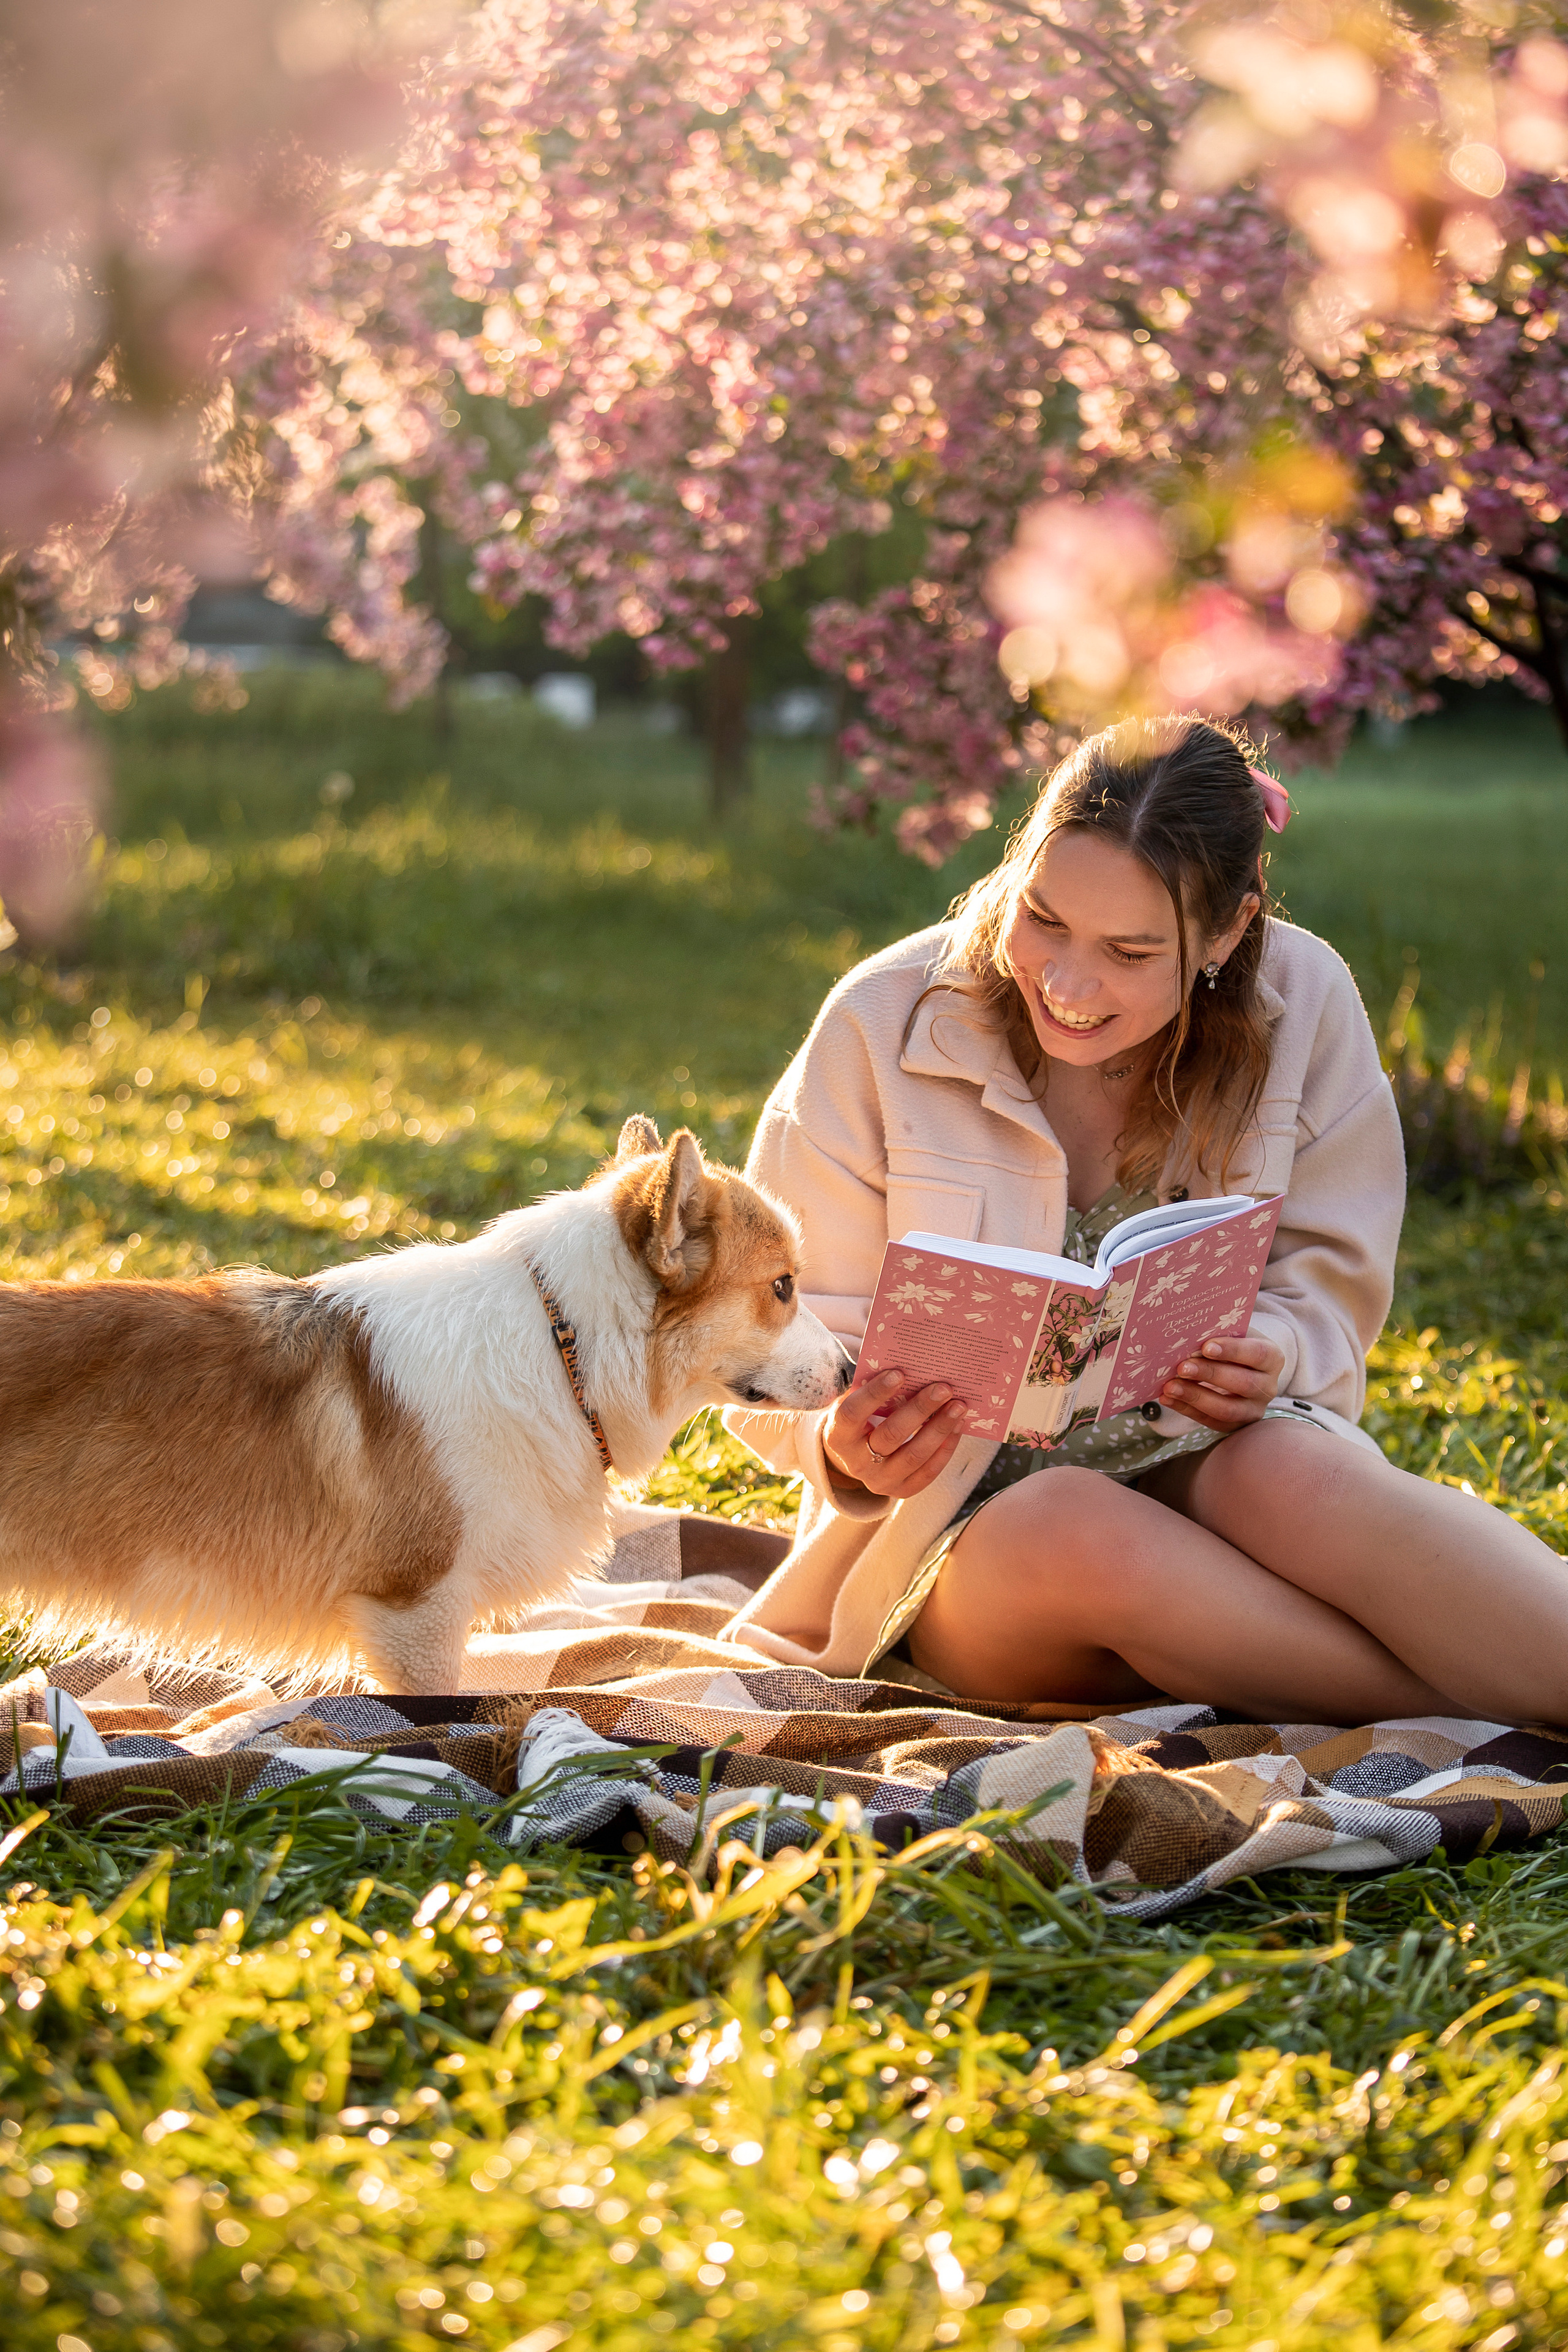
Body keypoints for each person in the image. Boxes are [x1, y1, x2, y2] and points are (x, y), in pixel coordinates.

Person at [722, 714, 1568, 1726]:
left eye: (1129, 951)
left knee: (1295, 1475)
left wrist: (1277, 1349)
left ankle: (1515, 1674)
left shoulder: (1305, 1000)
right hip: (958, 1550)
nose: (1068, 985)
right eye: (1042, 918)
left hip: (1205, 1461)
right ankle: (1470, 1702)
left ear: (1228, 932)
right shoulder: (881, 1021)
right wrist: (842, 1447)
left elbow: (1331, 1277)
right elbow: (762, 1339)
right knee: (1068, 1524)